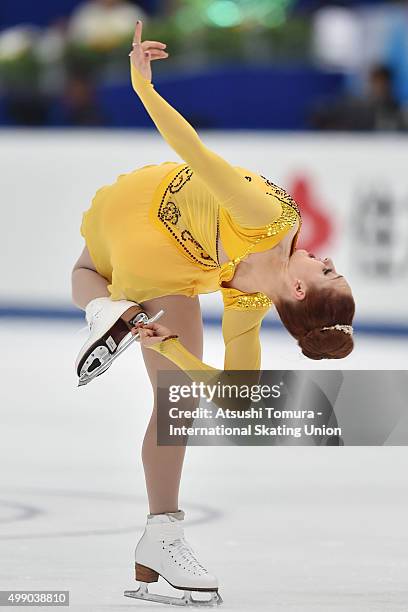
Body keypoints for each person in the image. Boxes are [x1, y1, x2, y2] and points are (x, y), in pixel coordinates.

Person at [72, 21, 355, 605]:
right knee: (174, 399)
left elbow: (232, 395)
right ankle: (161, 533)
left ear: (299, 293)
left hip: (143, 226)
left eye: (327, 271)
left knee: (90, 275)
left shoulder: (256, 276)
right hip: (151, 228)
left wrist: (144, 87)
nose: (325, 258)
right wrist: (165, 344)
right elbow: (197, 155)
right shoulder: (265, 224)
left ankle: (107, 309)